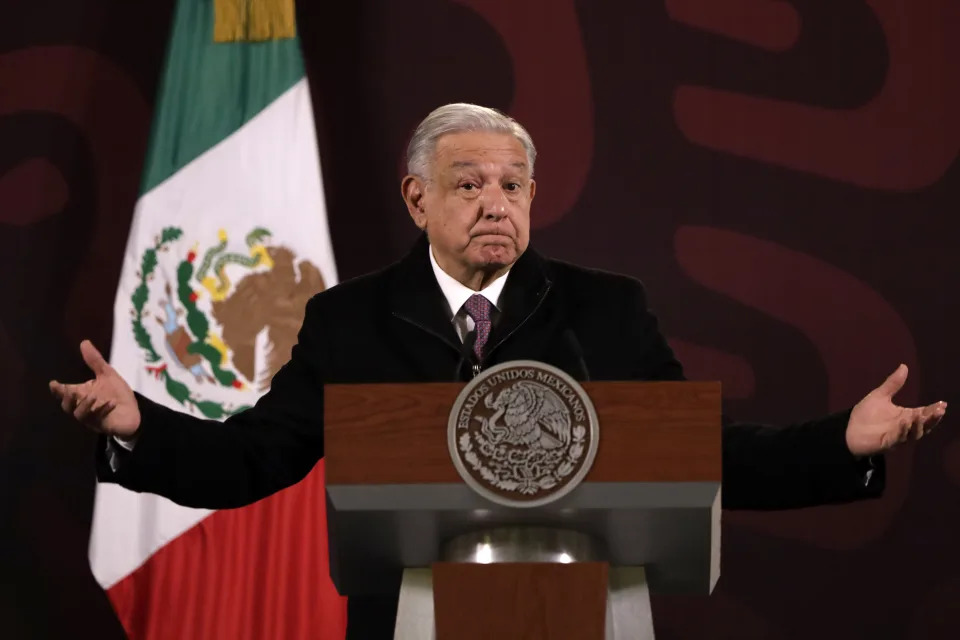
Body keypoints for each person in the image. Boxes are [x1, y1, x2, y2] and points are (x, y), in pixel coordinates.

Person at [50, 103, 947, 638]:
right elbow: (251, 459)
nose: (495, 204)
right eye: (470, 183)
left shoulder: (605, 309)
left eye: (512, 185)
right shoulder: (349, 320)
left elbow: (698, 455)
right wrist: (141, 428)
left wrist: (842, 442)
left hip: (590, 615)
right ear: (418, 198)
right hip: (412, 620)